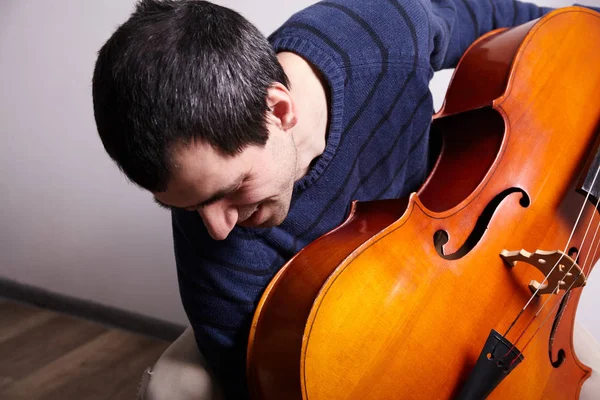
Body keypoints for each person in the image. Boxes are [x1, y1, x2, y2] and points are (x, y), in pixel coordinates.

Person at [92, 0, 600, 398]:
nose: (217, 228)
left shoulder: (378, 32)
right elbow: (258, 378)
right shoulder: (215, 248)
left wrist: (587, 38)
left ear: (279, 108)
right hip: (346, 332)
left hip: (461, 255)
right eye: (185, 207)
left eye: (230, 191)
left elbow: (497, 26)